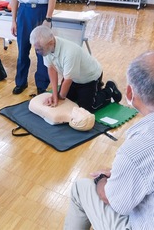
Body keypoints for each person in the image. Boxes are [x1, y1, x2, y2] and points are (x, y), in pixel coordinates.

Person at [64, 51, 154, 230]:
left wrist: (102, 179)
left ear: (129, 91)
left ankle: (108, 92)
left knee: (81, 188)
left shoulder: (137, 149)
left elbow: (112, 199)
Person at [30, 25, 122, 112]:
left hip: (89, 78)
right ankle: (88, 92)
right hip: (74, 77)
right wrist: (54, 94)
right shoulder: (46, 48)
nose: (37, 52)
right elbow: (51, 69)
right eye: (36, 49)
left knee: (86, 108)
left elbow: (67, 80)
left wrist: (60, 97)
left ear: (50, 43)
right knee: (68, 100)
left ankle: (110, 89)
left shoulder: (69, 52)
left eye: (39, 49)